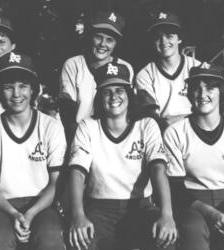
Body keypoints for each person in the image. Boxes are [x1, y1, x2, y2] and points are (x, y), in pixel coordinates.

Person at [68, 62, 177, 250]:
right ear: (99, 96)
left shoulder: (146, 125)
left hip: (140, 207)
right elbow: (77, 173)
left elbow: (158, 169)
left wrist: (167, 214)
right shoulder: (88, 126)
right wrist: (78, 215)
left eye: (120, 90)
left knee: (166, 238)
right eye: (106, 91)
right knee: (80, 241)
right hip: (99, 209)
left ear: (129, 93)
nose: (113, 97)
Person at [0, 51, 67, 250]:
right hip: (2, 206)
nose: (16, 94)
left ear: (33, 90)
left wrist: (30, 213)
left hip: (42, 204)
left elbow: (56, 182)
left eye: (23, 86)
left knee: (51, 239)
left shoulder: (51, 126)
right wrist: (14, 214)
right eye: (8, 87)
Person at [163, 63, 224, 250]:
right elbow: (175, 189)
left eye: (210, 87)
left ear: (222, 92)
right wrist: (211, 213)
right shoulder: (176, 132)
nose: (202, 94)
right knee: (193, 229)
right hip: (193, 204)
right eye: (196, 88)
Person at [59, 10, 133, 143]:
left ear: (116, 43)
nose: (103, 44)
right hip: (78, 137)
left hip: (114, 140)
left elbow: (129, 113)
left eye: (110, 40)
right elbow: (67, 114)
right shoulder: (74, 64)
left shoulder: (124, 67)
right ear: (90, 36)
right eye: (99, 37)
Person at [135, 11, 201, 132]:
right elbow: (150, 118)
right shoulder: (145, 75)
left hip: (196, 129)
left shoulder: (196, 67)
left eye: (169, 35)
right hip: (164, 132)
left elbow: (210, 109)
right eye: (158, 37)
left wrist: (182, 119)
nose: (164, 41)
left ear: (179, 39)